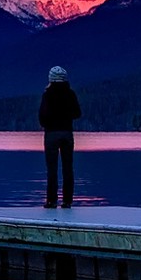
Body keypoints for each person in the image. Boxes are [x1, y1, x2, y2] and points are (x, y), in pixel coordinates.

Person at [38, 65, 81, 208]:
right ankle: (67, 201)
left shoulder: (47, 94)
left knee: (52, 169)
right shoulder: (71, 94)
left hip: (51, 134)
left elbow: (42, 116)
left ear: (51, 78)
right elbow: (77, 113)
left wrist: (47, 123)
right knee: (68, 168)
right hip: (67, 133)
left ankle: (51, 200)